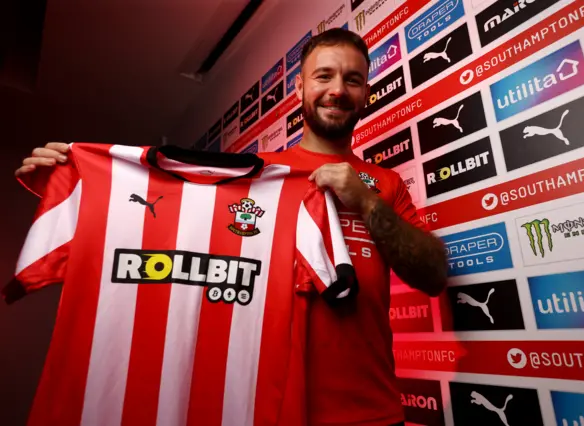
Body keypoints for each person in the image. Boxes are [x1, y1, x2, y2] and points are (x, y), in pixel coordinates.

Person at [16, 28, 448, 426]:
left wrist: (368, 203)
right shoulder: (256, 178)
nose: (337, 90)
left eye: (352, 80)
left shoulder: (385, 184)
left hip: (369, 409)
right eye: (324, 76)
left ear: (367, 93)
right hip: (262, 408)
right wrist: (78, 178)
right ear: (299, 88)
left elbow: (432, 275)